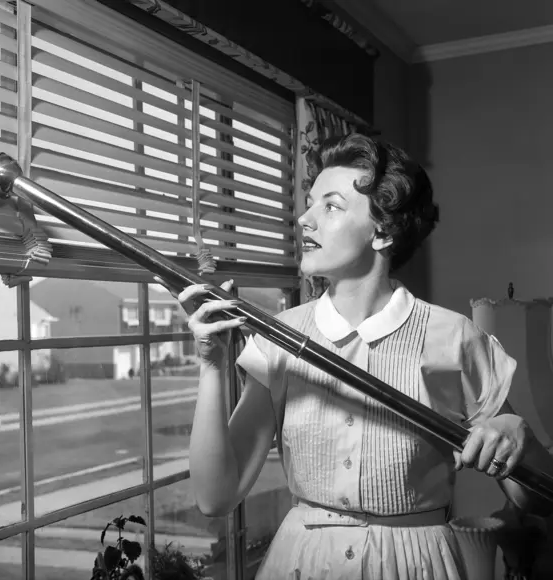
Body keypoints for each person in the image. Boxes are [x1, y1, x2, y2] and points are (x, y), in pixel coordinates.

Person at [158, 133, 553, 579]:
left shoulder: (453, 336)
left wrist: (519, 436)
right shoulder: (280, 337)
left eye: (330, 206)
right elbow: (215, 496)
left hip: (416, 566)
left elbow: (535, 499)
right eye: (309, 203)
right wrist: (211, 365)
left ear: (382, 231)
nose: (304, 219)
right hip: (302, 564)